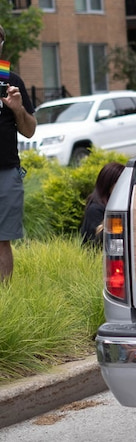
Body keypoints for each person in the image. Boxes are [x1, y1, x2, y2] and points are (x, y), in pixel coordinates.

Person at [0, 24, 37, 282]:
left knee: (2, 242)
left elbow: (29, 130)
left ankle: (5, 301)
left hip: (6, 173)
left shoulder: (11, 82)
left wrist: (17, 109)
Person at [80, 161, 125, 247]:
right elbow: (95, 244)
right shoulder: (95, 210)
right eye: (120, 184)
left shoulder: (116, 204)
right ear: (109, 184)